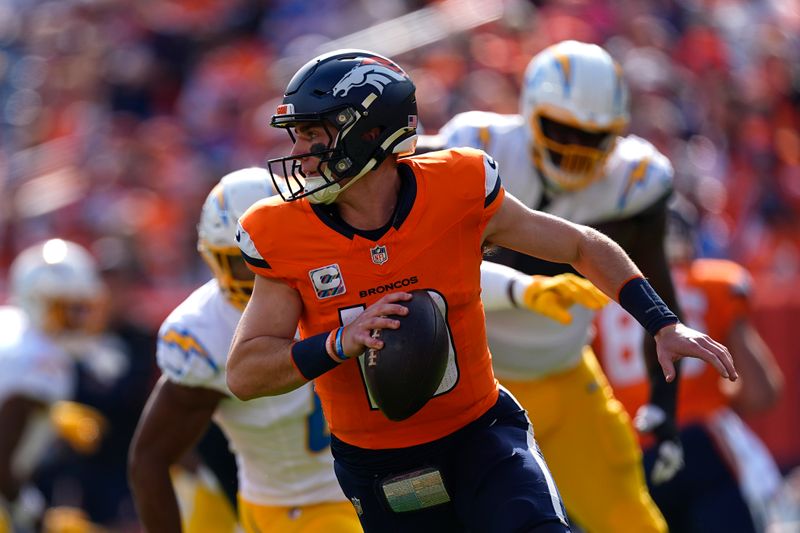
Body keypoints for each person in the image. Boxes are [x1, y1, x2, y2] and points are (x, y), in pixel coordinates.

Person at [226, 48, 736, 533]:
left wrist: (661, 322)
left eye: (312, 134)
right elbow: (246, 371)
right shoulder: (281, 232)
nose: (297, 154)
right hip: (378, 463)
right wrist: (338, 342)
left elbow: (578, 245)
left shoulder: (457, 186)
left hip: (480, 432)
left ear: (371, 131)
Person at [420, 39, 682, 532]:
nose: (575, 148)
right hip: (472, 385)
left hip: (563, 370)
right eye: (561, 129)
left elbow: (657, 290)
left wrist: (666, 407)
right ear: (529, 112)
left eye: (593, 136)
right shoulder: (474, 149)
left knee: (630, 520)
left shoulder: (635, 183)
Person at [128, 167, 361, 533]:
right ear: (216, 260)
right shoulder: (205, 330)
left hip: (371, 481)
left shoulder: (337, 275)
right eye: (243, 260)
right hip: (296, 508)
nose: (261, 268)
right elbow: (149, 459)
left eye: (273, 249)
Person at [593, 196, 784, 533]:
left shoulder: (594, 299)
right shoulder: (716, 284)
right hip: (702, 445)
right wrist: (714, 398)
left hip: (630, 455)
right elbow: (760, 393)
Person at [0, 239, 109, 532]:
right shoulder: (40, 358)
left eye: (81, 309)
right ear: (37, 302)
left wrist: (52, 414)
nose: (77, 321)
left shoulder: (10, 325)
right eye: (66, 310)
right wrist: (28, 510)